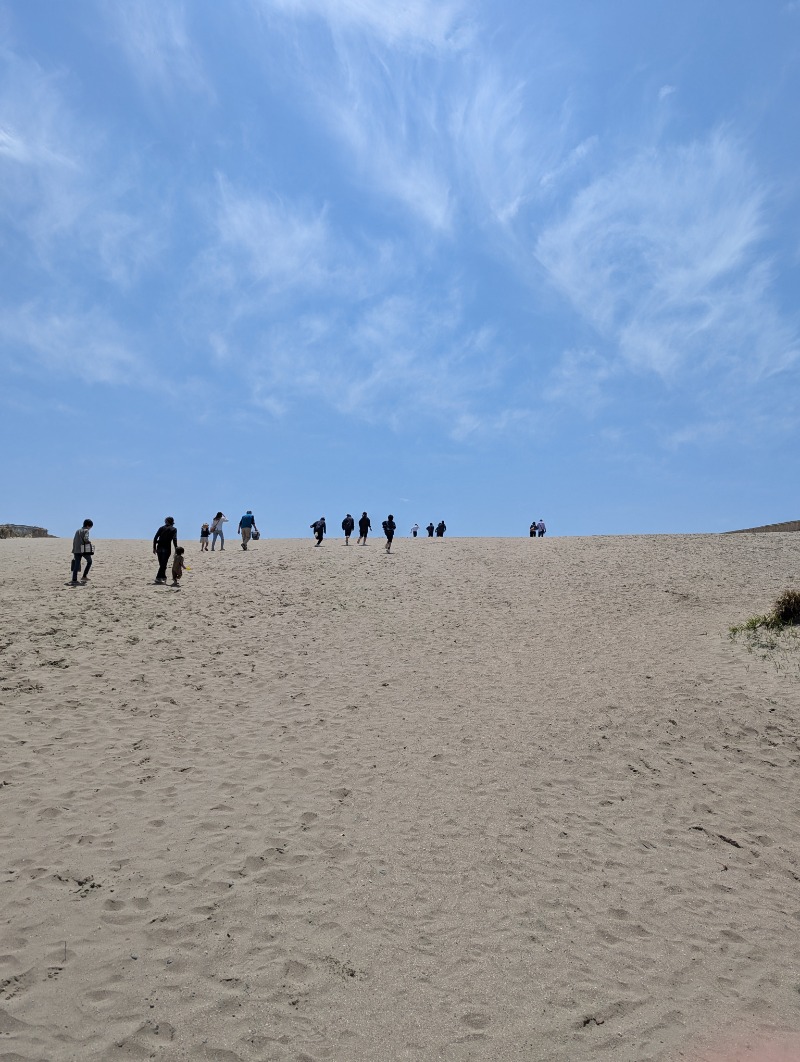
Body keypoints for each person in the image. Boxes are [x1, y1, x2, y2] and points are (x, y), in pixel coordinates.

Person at [153, 517, 178, 584]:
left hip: (159, 547)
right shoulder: (174, 529)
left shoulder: (161, 528)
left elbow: (155, 538)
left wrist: (154, 548)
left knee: (162, 564)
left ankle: (163, 577)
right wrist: (176, 549)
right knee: (163, 564)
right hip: (167, 548)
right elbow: (174, 539)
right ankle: (158, 578)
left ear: (166, 521)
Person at [71, 519, 94, 585]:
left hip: (76, 549)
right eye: (90, 527)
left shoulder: (77, 530)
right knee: (89, 561)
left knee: (76, 564)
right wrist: (88, 542)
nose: (90, 529)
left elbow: (74, 540)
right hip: (83, 549)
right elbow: (86, 539)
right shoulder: (86, 530)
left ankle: (74, 579)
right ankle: (84, 576)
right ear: (88, 526)